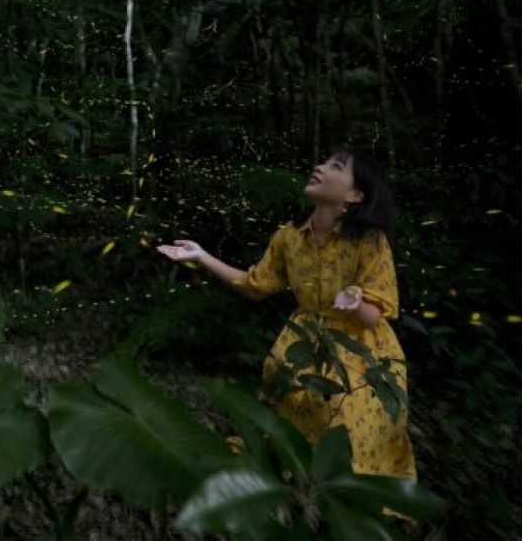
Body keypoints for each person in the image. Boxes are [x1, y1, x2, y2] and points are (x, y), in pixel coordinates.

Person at [156, 150, 416, 482]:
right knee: (292, 416)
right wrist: (201, 256)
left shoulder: (369, 240)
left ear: (355, 195)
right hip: (303, 340)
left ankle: (346, 502)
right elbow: (255, 284)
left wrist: (355, 300)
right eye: (321, 162)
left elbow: (374, 315)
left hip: (361, 350)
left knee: (348, 425)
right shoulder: (289, 237)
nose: (319, 167)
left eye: (335, 167)